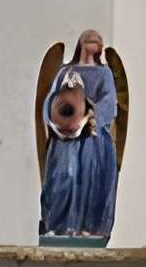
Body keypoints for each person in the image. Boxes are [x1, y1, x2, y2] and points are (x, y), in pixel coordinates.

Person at [39, 29, 120, 243]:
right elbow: (50, 101)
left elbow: (110, 103)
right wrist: (56, 120)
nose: (92, 44)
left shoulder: (104, 73)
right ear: (80, 44)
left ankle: (88, 227)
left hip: (93, 141)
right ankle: (59, 226)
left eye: (96, 41)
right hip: (64, 141)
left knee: (90, 180)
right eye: (88, 40)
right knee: (64, 177)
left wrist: (90, 115)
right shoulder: (65, 71)